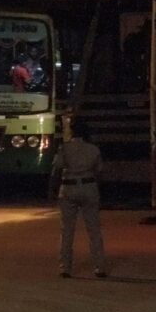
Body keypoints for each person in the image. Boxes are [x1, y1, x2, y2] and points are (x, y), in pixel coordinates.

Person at [49, 119, 106, 278]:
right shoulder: (93, 149)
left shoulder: (64, 148)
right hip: (89, 186)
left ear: (72, 131)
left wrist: (52, 191)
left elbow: (56, 170)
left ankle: (65, 267)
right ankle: (99, 267)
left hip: (68, 187)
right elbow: (99, 172)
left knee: (67, 230)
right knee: (94, 229)